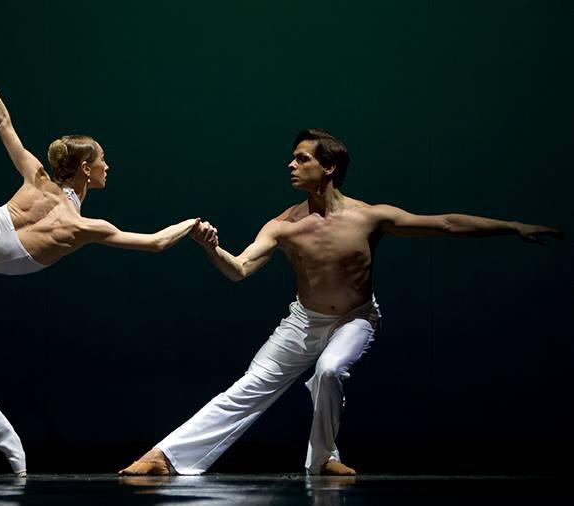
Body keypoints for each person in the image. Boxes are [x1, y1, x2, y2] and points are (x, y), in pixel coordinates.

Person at [119, 127, 563, 476]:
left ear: (328, 167)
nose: (291, 165)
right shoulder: (283, 225)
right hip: (303, 321)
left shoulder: (369, 217)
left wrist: (513, 226)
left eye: (302, 158)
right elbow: (239, 270)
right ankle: (165, 456)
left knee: (330, 369)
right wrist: (211, 248)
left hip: (356, 318)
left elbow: (445, 224)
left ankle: (323, 458)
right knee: (251, 386)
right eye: (293, 158)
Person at [0, 0, 198, 476]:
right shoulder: (82, 226)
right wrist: (192, 223)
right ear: (86, 169)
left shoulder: (37, 176)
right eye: (103, 160)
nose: (108, 166)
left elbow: (1, 123)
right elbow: (156, 242)